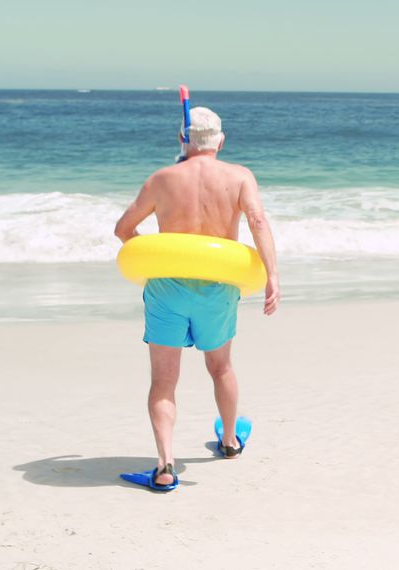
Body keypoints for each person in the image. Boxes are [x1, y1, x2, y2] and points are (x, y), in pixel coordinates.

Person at [114, 107, 279, 488]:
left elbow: (123, 229)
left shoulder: (161, 179)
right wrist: (272, 276)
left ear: (181, 141)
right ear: (221, 141)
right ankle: (230, 440)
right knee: (220, 367)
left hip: (168, 288)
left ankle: (165, 467)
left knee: (164, 382)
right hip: (217, 288)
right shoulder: (240, 177)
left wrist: (156, 260)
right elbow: (257, 221)